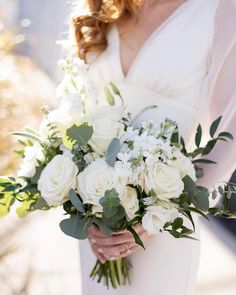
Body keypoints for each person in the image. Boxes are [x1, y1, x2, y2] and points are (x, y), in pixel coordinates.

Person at [72, 0, 236, 294]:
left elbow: (231, 131)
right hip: (96, 228)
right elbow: (77, 112)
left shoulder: (219, 10)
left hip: (162, 225)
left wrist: (166, 210)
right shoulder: (108, 9)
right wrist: (79, 199)